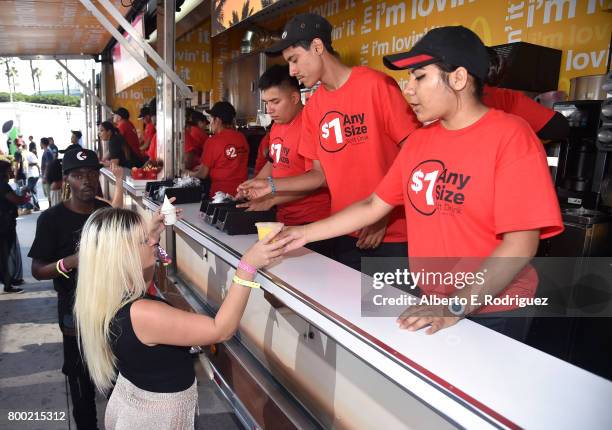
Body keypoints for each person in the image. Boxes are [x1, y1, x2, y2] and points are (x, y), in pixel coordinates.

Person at [280, 26, 564, 340]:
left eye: (420, 77)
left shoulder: (511, 136)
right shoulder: (420, 143)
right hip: (436, 300)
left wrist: (455, 306)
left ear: (457, 78)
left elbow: (521, 243)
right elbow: (375, 204)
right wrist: (303, 233)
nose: (409, 90)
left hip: (495, 309)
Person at [73, 208, 290, 429]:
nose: (151, 242)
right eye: (142, 240)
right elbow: (221, 329)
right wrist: (246, 268)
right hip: (154, 420)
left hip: (132, 404)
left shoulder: (107, 295)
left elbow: (145, 277)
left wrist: (154, 237)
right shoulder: (143, 314)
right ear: (121, 256)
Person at [239, 13, 420, 273]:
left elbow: (415, 155)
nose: (292, 71)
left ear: (317, 47)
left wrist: (383, 215)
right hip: (342, 231)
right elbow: (318, 175)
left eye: (294, 60)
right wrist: (269, 185)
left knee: (384, 313)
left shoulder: (376, 86)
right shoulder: (314, 108)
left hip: (391, 234)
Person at [29, 149, 108, 429]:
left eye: (91, 174)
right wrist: (72, 261)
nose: (86, 180)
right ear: (67, 181)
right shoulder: (51, 219)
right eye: (78, 175)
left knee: (116, 376)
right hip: (74, 310)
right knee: (80, 378)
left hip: (111, 308)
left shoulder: (106, 213)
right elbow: (38, 270)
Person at [238, 65, 333, 256]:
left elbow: (316, 181)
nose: (269, 109)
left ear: (294, 98)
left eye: (275, 101)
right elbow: (274, 162)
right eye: (266, 103)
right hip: (283, 219)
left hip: (313, 223)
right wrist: (254, 186)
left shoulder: (312, 124)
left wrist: (270, 197)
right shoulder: (277, 126)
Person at [190, 101, 249, 197]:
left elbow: (203, 174)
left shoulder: (213, 141)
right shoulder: (242, 138)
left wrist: (187, 173)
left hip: (220, 196)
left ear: (217, 120)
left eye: (211, 119)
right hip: (242, 193)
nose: (210, 123)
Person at [0, 160, 29, 293]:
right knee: (5, 253)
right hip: (4, 224)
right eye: (9, 169)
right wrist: (24, 195)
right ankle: (7, 284)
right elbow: (16, 200)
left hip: (5, 222)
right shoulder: (3, 186)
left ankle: (8, 280)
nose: (12, 171)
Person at [24, 143, 41, 211]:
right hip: (32, 175)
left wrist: (27, 164)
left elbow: (36, 163)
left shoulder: (29, 154)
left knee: (27, 190)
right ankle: (36, 205)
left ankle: (29, 206)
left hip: (32, 175)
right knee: (33, 191)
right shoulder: (28, 154)